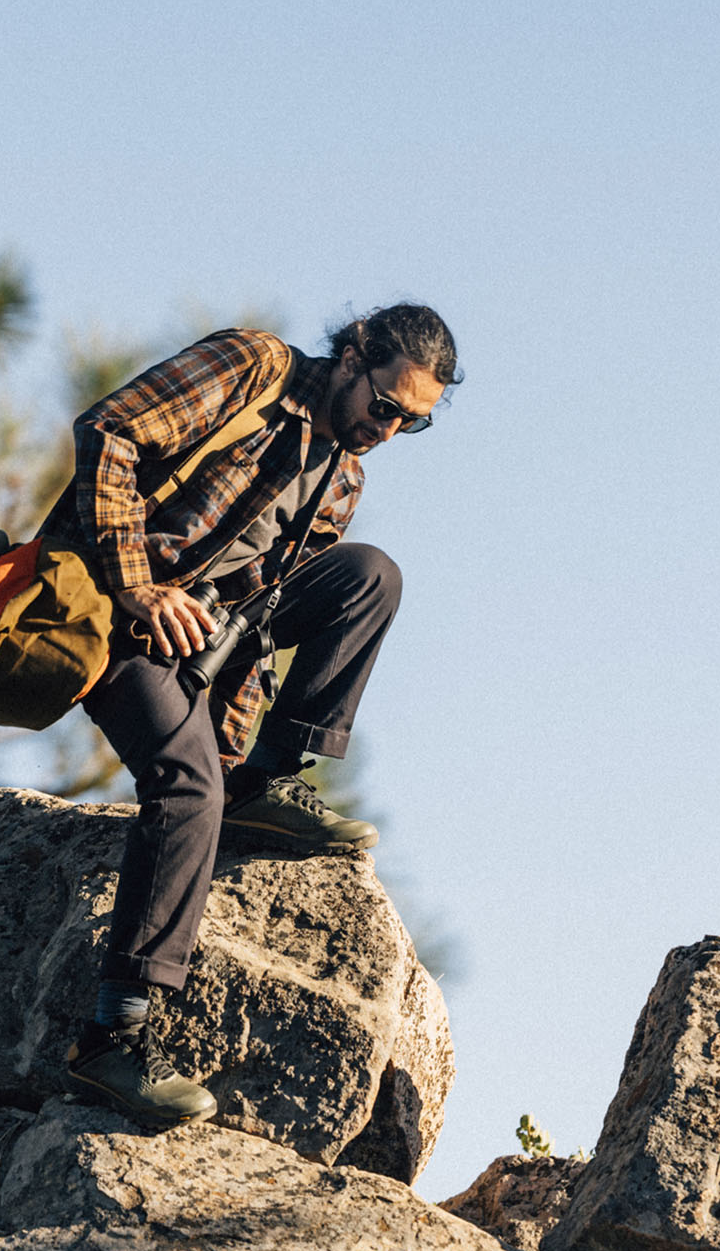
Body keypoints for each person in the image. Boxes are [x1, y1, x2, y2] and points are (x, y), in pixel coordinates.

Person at [44, 303, 459, 1124]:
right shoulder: (254, 366)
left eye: (411, 425)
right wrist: (138, 584)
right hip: (108, 611)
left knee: (368, 574)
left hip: (201, 641)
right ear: (352, 356)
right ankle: (112, 1039)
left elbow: (257, 623)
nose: (388, 429)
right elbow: (110, 431)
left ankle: (268, 782)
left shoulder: (342, 475)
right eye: (386, 405)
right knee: (184, 787)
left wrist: (239, 761)